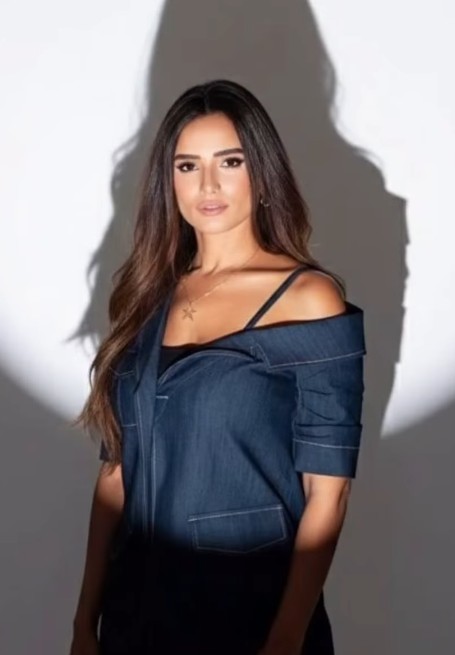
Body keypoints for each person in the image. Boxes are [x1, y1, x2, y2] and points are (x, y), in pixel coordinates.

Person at [69, 79, 366, 655]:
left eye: (230, 161)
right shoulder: (147, 298)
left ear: (262, 173)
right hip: (136, 617)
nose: (208, 185)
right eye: (187, 166)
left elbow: (328, 493)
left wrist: (286, 637)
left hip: (247, 612)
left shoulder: (308, 299)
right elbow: (115, 475)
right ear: (169, 181)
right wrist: (85, 622)